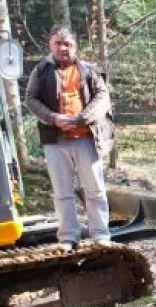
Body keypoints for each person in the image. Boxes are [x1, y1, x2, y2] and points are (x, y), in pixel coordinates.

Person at [25, 26, 114, 249]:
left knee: (95, 190)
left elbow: (103, 97)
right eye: (58, 43)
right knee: (62, 193)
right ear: (51, 45)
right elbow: (30, 98)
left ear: (75, 46)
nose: (63, 48)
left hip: (86, 138)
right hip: (56, 141)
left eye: (68, 44)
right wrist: (52, 117)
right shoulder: (41, 71)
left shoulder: (88, 70)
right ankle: (68, 238)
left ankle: (101, 236)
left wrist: (83, 118)